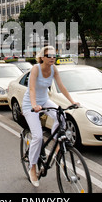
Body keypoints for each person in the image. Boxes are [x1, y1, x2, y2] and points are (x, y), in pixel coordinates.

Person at [22, 46, 79, 187]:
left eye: (54, 55)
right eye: (49, 55)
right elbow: (32, 89)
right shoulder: (36, 69)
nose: (52, 58)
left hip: (44, 101)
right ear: (42, 57)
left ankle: (57, 142)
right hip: (31, 104)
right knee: (38, 136)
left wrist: (73, 102)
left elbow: (62, 87)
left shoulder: (54, 69)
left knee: (62, 117)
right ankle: (32, 167)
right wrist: (34, 105)